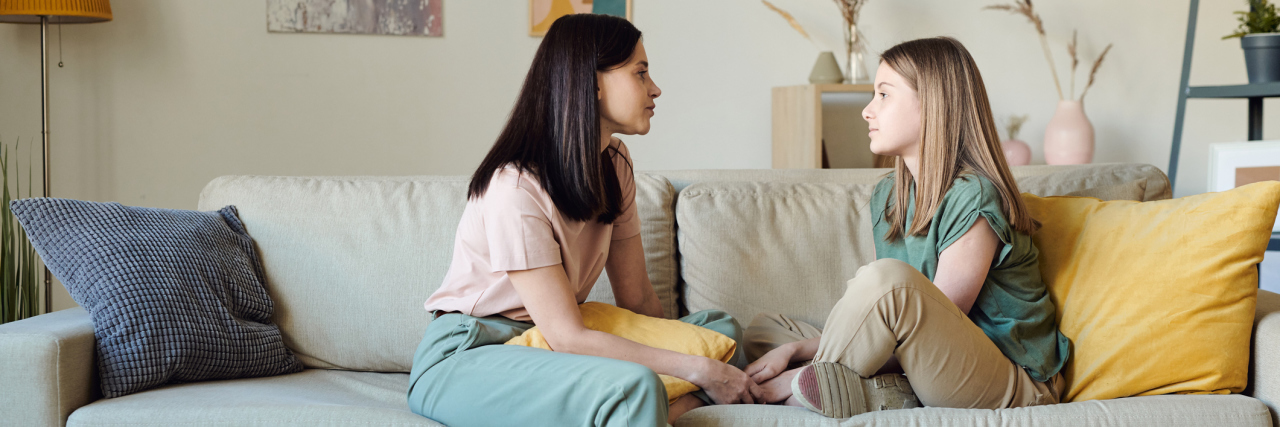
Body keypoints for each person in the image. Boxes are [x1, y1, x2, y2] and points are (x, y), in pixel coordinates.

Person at [406, 14, 758, 427]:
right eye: (640, 73)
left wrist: (699, 355)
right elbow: (568, 336)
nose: (655, 88)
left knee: (720, 333)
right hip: (475, 354)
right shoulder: (515, 188)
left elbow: (638, 299)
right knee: (638, 384)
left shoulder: (615, 163)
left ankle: (651, 413)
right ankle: (653, 408)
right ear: (593, 83)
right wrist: (697, 370)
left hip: (553, 342)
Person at [742, 36, 1073, 418]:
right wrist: (793, 348)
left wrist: (798, 369)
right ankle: (872, 390)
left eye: (884, 95)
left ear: (932, 105)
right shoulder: (889, 194)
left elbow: (937, 324)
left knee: (885, 280)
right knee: (764, 331)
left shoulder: (975, 196)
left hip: (1013, 380)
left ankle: (820, 380)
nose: (867, 111)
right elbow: (893, 325)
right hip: (928, 363)